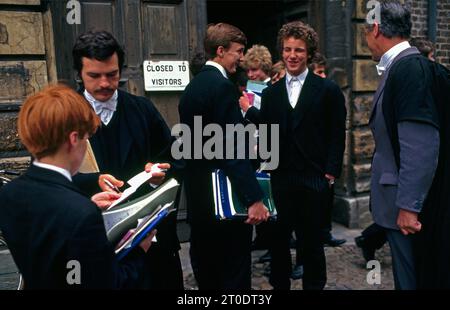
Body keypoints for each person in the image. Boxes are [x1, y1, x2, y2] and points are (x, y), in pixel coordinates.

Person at [0, 85, 156, 289]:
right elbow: (109, 283)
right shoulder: (81, 213)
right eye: (86, 138)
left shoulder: (9, 194)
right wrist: (139, 249)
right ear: (74, 139)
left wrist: (87, 205)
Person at [71, 30, 184, 289]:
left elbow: (174, 159)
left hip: (150, 238)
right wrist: (92, 182)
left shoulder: (142, 109)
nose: (104, 84)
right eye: (94, 76)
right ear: (79, 74)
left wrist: (159, 175)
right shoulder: (65, 115)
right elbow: (50, 177)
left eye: (112, 74)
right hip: (95, 240)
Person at [179, 23, 269, 289]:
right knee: (233, 274)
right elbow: (232, 149)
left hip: (200, 201)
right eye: (238, 52)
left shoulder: (193, 88)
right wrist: (253, 199)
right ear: (220, 51)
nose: (241, 59)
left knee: (207, 273)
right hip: (225, 203)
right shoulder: (221, 87)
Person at [257, 21, 346, 290]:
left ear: (309, 53)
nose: (292, 55)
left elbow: (336, 133)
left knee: (312, 245)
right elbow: (266, 135)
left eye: (298, 50)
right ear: (281, 52)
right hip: (281, 179)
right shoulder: (270, 94)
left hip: (314, 178)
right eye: (287, 49)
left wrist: (330, 172)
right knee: (279, 242)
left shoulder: (327, 90)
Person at [364, 0, 439, 290]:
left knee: (411, 280)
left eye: (365, 32)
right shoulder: (400, 66)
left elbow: (420, 145)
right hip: (395, 200)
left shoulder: (407, 68)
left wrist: (409, 206)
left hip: (403, 206)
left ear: (376, 28)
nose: (366, 40)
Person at [354, 36, 437, 264]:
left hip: (408, 194)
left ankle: (368, 240)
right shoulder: (401, 75)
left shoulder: (413, 76)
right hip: (398, 191)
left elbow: (420, 145)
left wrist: (409, 206)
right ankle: (368, 240)